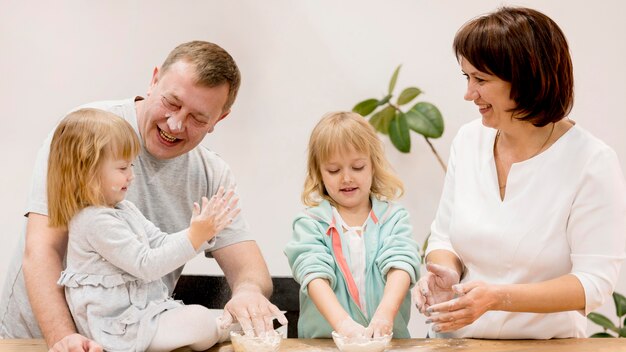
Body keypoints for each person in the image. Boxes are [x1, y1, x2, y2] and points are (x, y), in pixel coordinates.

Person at [0, 41, 287, 351]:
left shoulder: (210, 172)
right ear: (153, 81)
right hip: (40, 338)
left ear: (219, 119)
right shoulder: (83, 133)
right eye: (172, 102)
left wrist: (247, 291)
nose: (176, 124)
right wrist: (63, 339)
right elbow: (42, 250)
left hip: (126, 340)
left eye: (198, 118)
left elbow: (250, 269)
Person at [414, 7, 626, 339]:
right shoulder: (469, 141)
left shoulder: (591, 161)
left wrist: (498, 298)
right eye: (466, 77)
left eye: (481, 80)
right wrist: (445, 273)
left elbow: (593, 283)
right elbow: (444, 238)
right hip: (458, 344)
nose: (469, 93)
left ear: (527, 78)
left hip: (547, 346)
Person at [49, 108, 242, 351]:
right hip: (118, 329)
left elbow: (158, 242)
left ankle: (222, 329)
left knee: (196, 318)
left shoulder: (124, 208)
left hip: (139, 315)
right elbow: (146, 265)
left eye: (131, 166)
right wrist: (194, 237)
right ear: (86, 170)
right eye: (122, 168)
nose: (131, 176)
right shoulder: (93, 221)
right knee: (198, 320)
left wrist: (200, 232)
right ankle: (225, 331)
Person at [284, 112, 420, 339]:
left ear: (373, 166)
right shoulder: (310, 224)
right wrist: (343, 325)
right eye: (334, 170)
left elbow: (401, 265)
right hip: (325, 344)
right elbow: (314, 275)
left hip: (387, 343)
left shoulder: (393, 217)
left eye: (357, 167)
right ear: (319, 173)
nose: (346, 178)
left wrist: (385, 315)